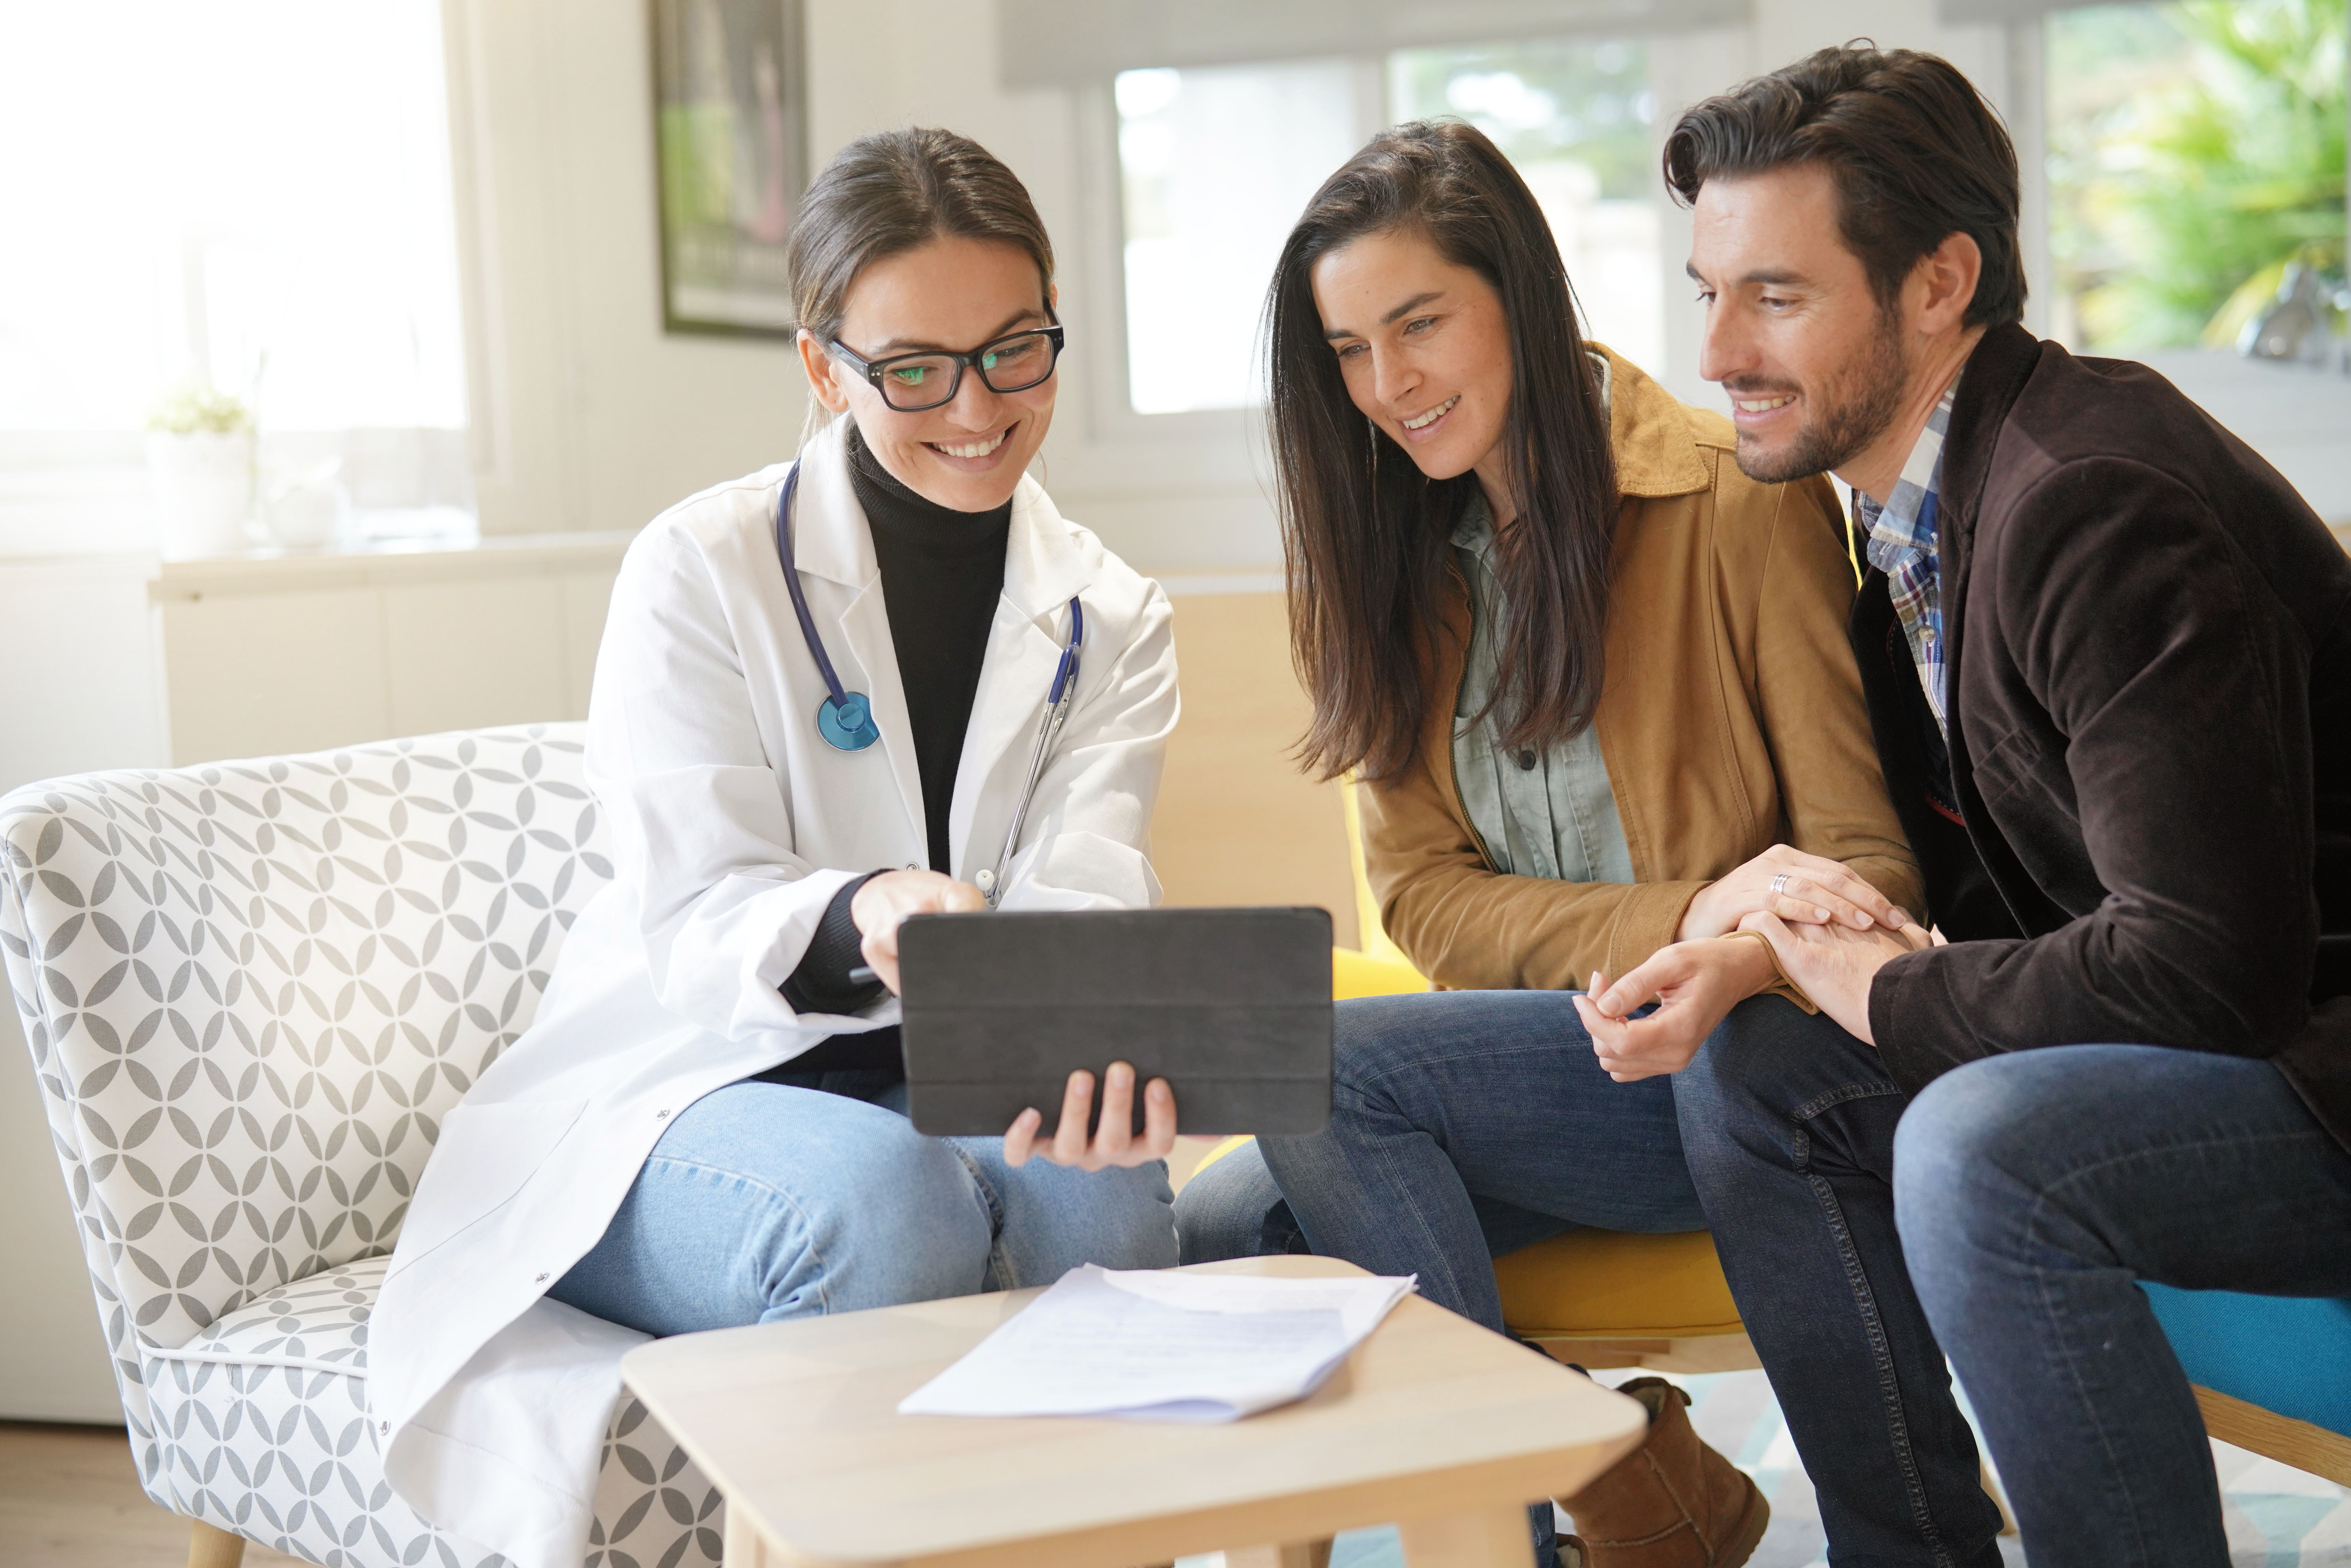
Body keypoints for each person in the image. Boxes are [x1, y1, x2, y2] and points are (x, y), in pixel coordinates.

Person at [1572, 44, 2351, 1566]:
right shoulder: (1913, 515)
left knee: (1978, 1148)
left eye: (1773, 296)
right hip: (2231, 1043)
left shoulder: (2092, 498)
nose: (1717, 350)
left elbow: (2209, 967)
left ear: (1938, 283)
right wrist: (1771, 951)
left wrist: (1879, 984)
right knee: (1756, 1066)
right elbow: (2020, 885)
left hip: (2318, 1061)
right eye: (1709, 292)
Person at [367, 128, 1185, 1568]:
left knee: (1100, 1187)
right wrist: (864, 909)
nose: (977, 406)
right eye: (914, 368)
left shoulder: (1110, 618)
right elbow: (692, 905)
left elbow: (1084, 889)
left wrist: (1087, 1033)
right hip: (684, 1091)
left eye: (1015, 351)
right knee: (886, 1204)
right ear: (824, 366)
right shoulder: (702, 567)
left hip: (945, 1078)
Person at [1172, 119, 1924, 1568]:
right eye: (1348, 351)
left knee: (1315, 1066)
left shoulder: (1733, 496)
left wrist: (1714, 947)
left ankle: (1500, 1546)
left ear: (1514, 294)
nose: (1389, 385)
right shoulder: (1383, 557)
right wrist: (1689, 900)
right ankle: (1631, 1479)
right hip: (1525, 1072)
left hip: (1727, 1063)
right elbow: (1423, 900)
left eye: (1420, 325)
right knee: (1221, 1237)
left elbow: (1864, 864)